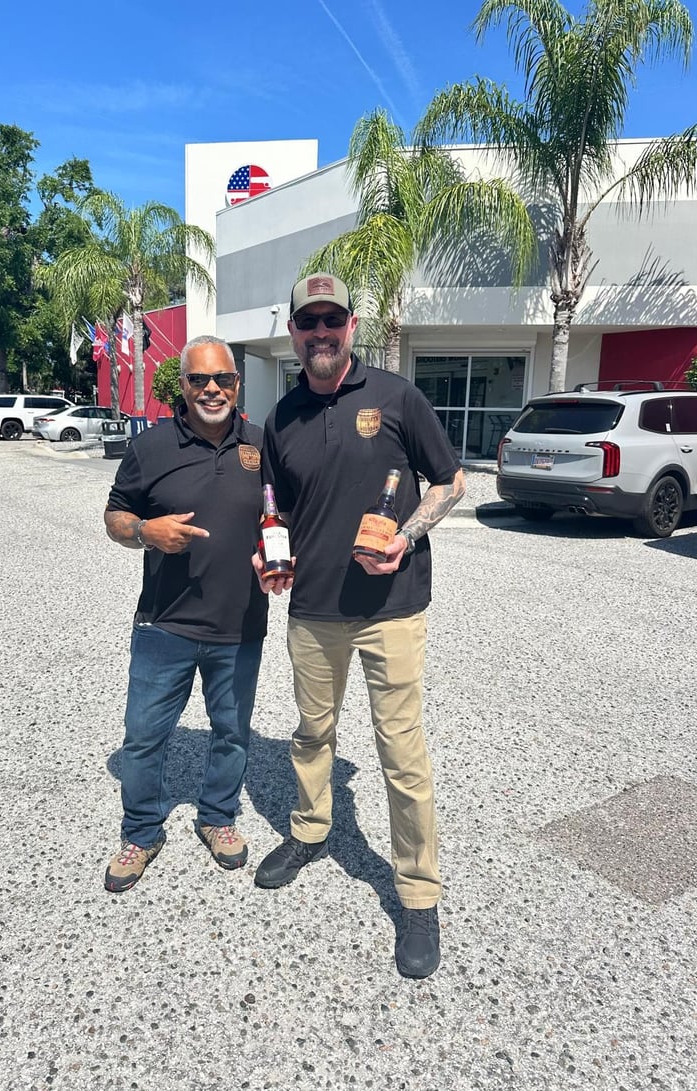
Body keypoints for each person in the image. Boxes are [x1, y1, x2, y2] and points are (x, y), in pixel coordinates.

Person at [253, 273, 465, 979]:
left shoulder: (396, 396)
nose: (321, 331)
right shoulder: (279, 419)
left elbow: (450, 480)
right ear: (293, 331)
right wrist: (268, 557)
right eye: (308, 320)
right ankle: (312, 829)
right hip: (312, 611)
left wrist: (406, 534)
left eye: (332, 319)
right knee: (313, 731)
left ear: (351, 324)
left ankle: (417, 891)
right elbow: (276, 513)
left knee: (401, 751)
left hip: (391, 609)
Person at [103, 335, 268, 892]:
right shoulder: (151, 447)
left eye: (222, 378)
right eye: (199, 380)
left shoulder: (263, 446)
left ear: (237, 383)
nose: (212, 389)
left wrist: (281, 561)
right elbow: (115, 516)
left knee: (232, 732)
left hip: (241, 622)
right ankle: (142, 830)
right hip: (163, 624)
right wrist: (146, 532)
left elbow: (284, 518)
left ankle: (218, 817)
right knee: (144, 736)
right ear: (183, 386)